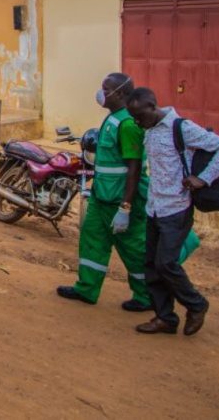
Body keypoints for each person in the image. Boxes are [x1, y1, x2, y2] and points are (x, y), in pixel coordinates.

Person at [127, 87, 219, 336]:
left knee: (166, 263)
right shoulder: (149, 130)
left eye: (139, 116)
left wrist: (204, 178)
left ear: (152, 107)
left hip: (176, 208)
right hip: (154, 207)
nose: (137, 122)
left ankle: (196, 304)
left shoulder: (181, 128)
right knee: (151, 265)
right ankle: (165, 317)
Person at [57, 73, 152, 311]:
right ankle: (86, 288)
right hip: (101, 197)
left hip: (119, 200)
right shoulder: (113, 118)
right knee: (92, 241)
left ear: (121, 93)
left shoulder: (127, 124)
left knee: (133, 249)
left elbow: (134, 168)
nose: (101, 94)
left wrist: (125, 208)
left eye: (106, 90)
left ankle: (146, 296)